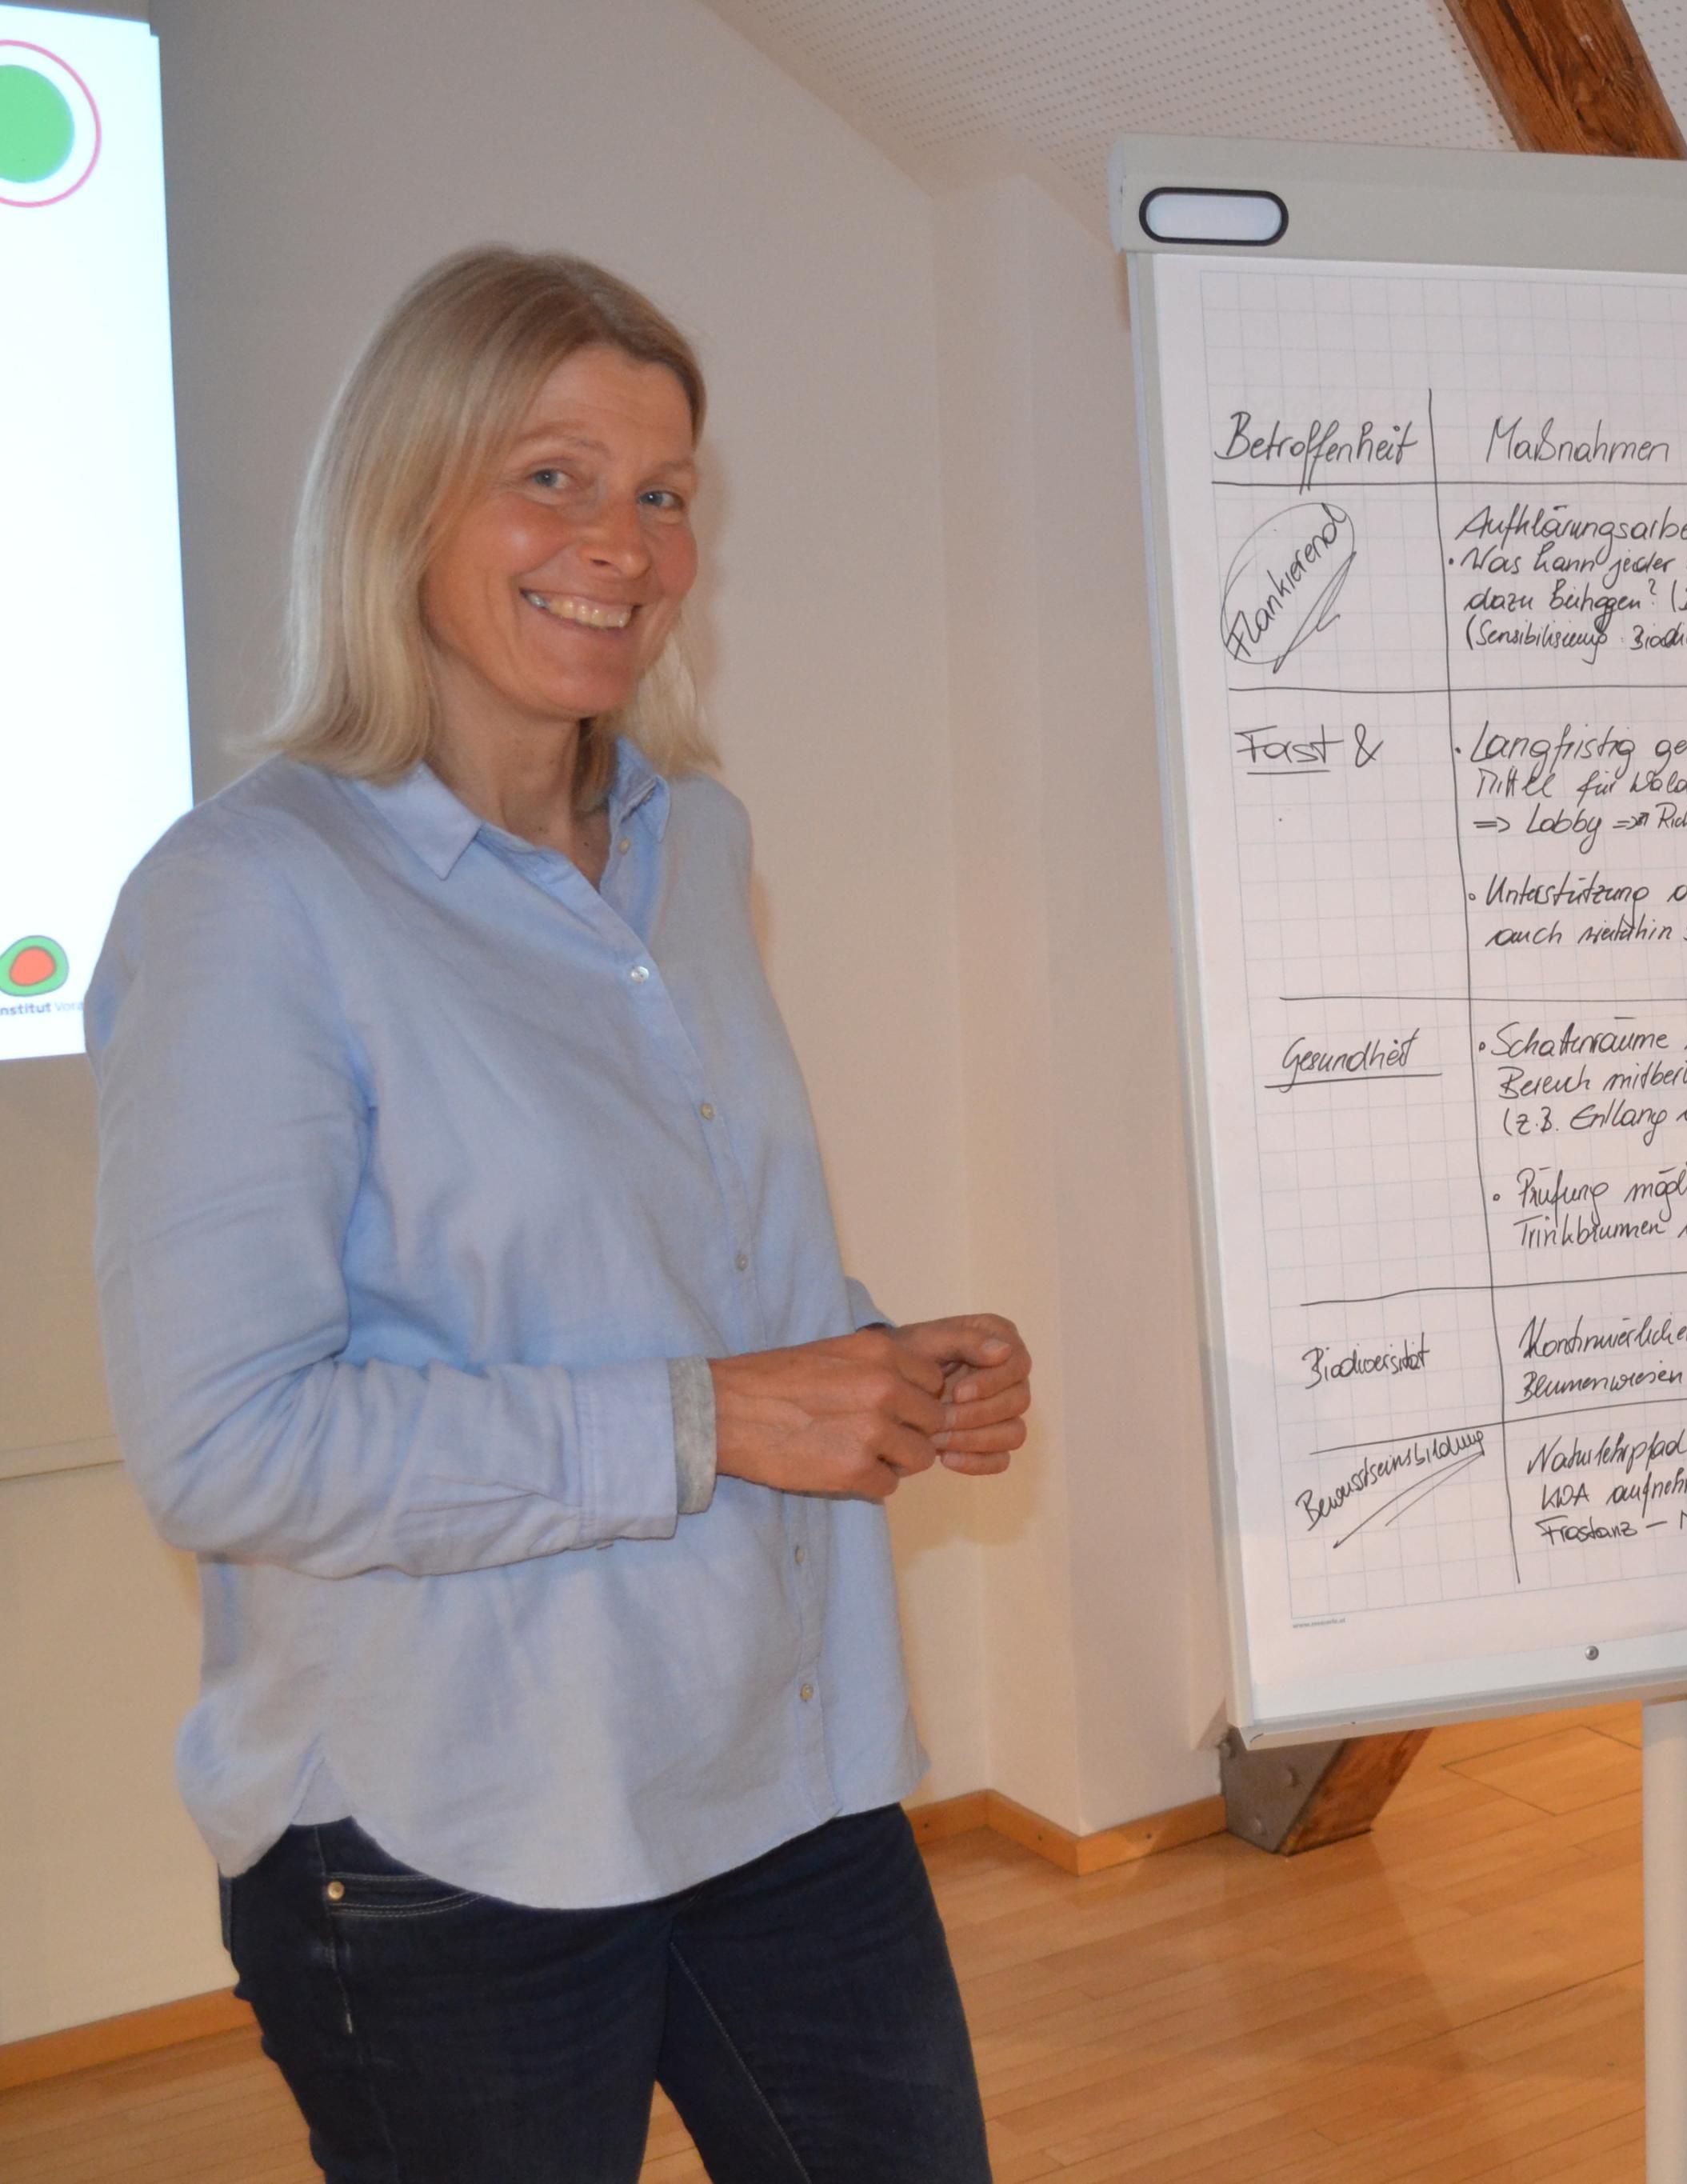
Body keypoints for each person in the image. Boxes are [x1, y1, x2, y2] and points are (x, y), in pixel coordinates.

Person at [88, 247, 1027, 2182]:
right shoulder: (250, 897)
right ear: (401, 500)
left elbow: (678, 1272)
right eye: (553, 478)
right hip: (451, 1831)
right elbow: (226, 1444)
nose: (623, 544)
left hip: (777, 1771)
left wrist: (870, 1366)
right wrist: (718, 1415)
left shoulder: (697, 842)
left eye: (663, 493)